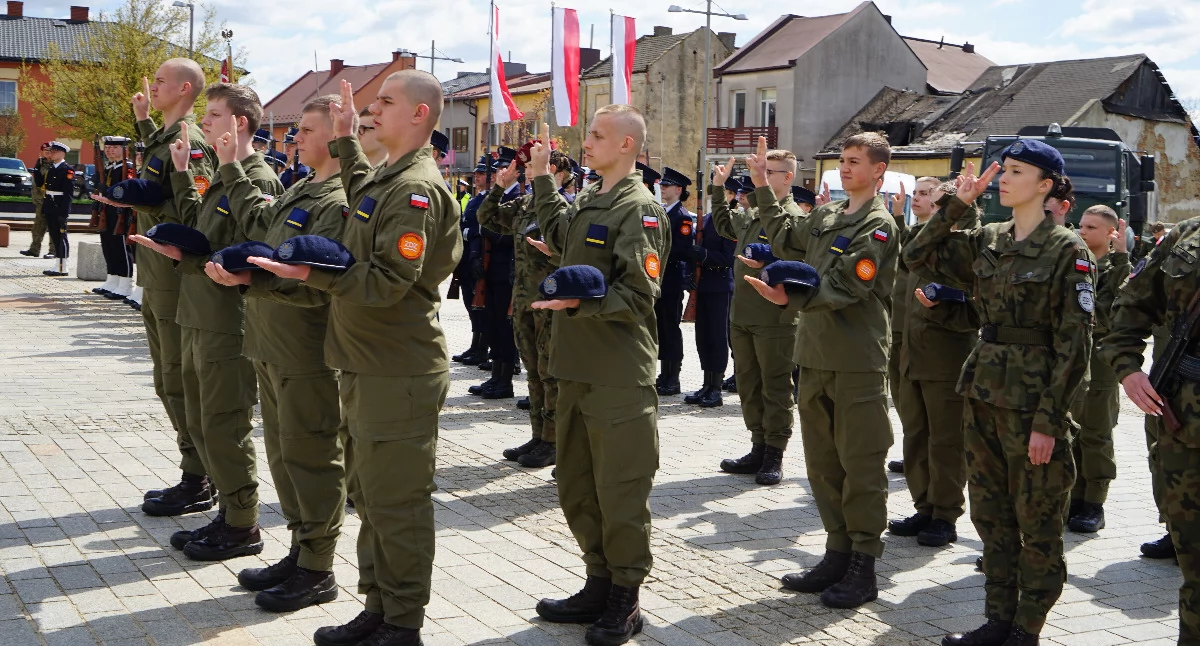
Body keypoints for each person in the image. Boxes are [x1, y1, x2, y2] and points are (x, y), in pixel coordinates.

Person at [253, 72, 460, 646]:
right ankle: (379, 605)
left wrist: (313, 273)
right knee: (370, 496)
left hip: (399, 368)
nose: (372, 111)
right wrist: (345, 139)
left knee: (398, 503)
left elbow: (391, 280)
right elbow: (363, 186)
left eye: (385, 103)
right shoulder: (390, 178)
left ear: (419, 114)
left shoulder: (417, 188)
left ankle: (403, 621)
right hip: (369, 363)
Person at [903, 140, 1093, 646]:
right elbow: (915, 254)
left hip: (1034, 407)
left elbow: (1074, 348)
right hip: (983, 392)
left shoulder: (1067, 250)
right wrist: (957, 204)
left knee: (1039, 521)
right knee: (992, 516)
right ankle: (997, 620)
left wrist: (1050, 422)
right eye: (1003, 170)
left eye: (1016, 172)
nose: (1003, 178)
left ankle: (1027, 630)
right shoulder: (987, 237)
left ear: (1046, 184)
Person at [201, 94, 349, 612]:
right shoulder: (302, 188)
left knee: (312, 459)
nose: (294, 138)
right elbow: (259, 226)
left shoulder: (338, 199)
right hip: (270, 342)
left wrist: (251, 282)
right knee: (285, 458)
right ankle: (299, 548)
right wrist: (229, 167)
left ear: (334, 135)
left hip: (305, 351)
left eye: (305, 130)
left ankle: (318, 567)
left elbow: (317, 284)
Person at [526, 111, 669, 646]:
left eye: (596, 136)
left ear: (627, 144)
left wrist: (579, 300)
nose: (584, 144)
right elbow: (567, 240)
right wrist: (542, 178)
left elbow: (638, 295)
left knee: (620, 491)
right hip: (577, 365)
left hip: (616, 372)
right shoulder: (591, 199)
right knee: (577, 487)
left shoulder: (640, 209)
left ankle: (625, 599)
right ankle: (598, 580)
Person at [131, 83, 283, 562]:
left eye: (214, 115)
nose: (205, 123)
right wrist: (180, 178)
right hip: (199, 312)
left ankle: (243, 523)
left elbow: (258, 241)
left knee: (223, 425)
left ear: (239, 124)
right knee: (201, 420)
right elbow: (202, 226)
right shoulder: (221, 174)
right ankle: (226, 511)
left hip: (227, 321)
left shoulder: (257, 178)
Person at [746, 133, 898, 609]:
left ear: (878, 171)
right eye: (843, 161)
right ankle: (837, 551)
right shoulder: (828, 216)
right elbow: (788, 236)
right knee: (824, 466)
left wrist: (792, 295)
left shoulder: (878, 225)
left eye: (855, 162)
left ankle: (864, 565)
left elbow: (848, 283)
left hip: (855, 362)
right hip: (812, 355)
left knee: (862, 466)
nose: (846, 168)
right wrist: (763, 189)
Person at [97, 61, 218, 514]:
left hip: (175, 278)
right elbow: (157, 166)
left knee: (178, 380)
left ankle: (200, 475)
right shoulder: (167, 139)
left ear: (185, 89)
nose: (154, 83)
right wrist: (144, 118)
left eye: (162, 80)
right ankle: (197, 470)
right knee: (167, 380)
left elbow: (195, 211)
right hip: (155, 275)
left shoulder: (192, 144)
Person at [1101, 214, 1200, 643]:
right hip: (1187, 428)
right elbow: (1132, 304)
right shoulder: (1187, 235)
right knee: (1195, 564)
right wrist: (1127, 367)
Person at [887, 178, 978, 548]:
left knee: (946, 442)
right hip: (911, 355)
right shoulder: (918, 243)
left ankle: (945, 514)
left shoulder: (964, 247)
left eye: (944, 204)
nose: (937, 209)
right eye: (933, 202)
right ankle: (924, 506)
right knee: (916, 436)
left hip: (946, 359)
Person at [711, 151, 802, 485]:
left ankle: (775, 453)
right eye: (754, 171)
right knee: (748, 385)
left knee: (775, 387)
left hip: (775, 318)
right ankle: (758, 446)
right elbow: (724, 225)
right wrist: (718, 190)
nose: (756, 177)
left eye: (766, 171)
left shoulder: (791, 217)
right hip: (743, 315)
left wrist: (768, 268)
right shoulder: (752, 213)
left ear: (787, 177)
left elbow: (799, 262)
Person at [481, 149, 574, 469]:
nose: (528, 171)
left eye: (535, 165)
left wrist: (553, 255)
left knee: (550, 374)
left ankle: (554, 440)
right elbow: (487, 218)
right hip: (523, 302)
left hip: (550, 304)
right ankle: (539, 435)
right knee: (533, 372)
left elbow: (570, 254)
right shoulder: (522, 204)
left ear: (555, 171)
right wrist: (498, 187)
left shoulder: (560, 208)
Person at [1065, 205, 1127, 533]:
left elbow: (1107, 314)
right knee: (1072, 431)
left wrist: (1121, 258)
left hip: (1099, 362)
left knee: (1096, 433)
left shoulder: (1116, 268)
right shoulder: (1077, 264)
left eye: (1091, 227)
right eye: (1082, 225)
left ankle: (1094, 503)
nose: (1083, 231)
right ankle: (1074, 499)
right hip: (1073, 360)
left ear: (1110, 233)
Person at [470, 147, 520, 399]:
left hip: (507, 272)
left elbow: (506, 236)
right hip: (489, 270)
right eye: (498, 168)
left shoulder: (520, 197)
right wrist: (476, 256)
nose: (499, 172)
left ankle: (505, 380)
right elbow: (481, 228)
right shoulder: (494, 196)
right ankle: (495, 375)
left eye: (505, 168)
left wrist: (488, 232)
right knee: (491, 324)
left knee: (505, 328)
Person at [683, 179, 737, 408]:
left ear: (731, 196)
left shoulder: (730, 222)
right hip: (703, 285)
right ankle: (706, 383)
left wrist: (703, 254)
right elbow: (691, 252)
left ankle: (716, 387)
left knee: (717, 338)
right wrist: (688, 273)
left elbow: (728, 258)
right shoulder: (705, 219)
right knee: (702, 337)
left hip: (720, 285)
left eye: (721, 192)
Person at [653, 167, 694, 396]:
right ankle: (664, 374)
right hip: (661, 278)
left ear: (678, 189)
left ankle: (673, 377)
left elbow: (682, 249)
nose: (663, 188)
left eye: (667, 185)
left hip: (671, 279)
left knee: (670, 328)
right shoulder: (664, 212)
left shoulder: (682, 216)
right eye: (662, 185)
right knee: (661, 328)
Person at [452, 155, 490, 366]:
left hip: (482, 256)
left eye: (482, 173)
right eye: (476, 173)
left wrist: (466, 232)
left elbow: (483, 227)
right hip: (468, 257)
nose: (477, 177)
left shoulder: (489, 199)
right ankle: (475, 345)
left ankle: (482, 348)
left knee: (481, 304)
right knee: (470, 302)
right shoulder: (475, 199)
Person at [92, 137, 136, 298]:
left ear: (125, 149)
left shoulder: (127, 167)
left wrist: (108, 191)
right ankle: (112, 280)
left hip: (121, 212)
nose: (109, 150)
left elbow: (127, 191)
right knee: (108, 245)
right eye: (108, 147)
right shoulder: (110, 167)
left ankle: (125, 285)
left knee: (121, 248)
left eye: (115, 147)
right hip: (108, 211)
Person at [39, 142, 74, 277]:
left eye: (54, 151)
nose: (51, 153)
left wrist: (64, 212)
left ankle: (63, 266)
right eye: (51, 151)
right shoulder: (51, 168)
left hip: (59, 205)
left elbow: (68, 194)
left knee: (61, 236)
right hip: (50, 204)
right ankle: (58, 263)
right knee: (54, 234)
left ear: (62, 153)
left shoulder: (67, 170)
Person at [19, 144, 53, 258]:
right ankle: (34, 249)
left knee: (53, 227)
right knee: (37, 227)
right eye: (45, 150)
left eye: (50, 150)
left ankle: (53, 251)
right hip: (39, 201)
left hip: (52, 201)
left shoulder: (56, 165)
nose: (47, 152)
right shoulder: (40, 163)